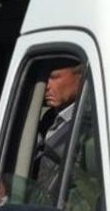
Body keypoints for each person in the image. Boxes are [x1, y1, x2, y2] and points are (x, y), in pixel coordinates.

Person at [33, 62, 83, 199]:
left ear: (81, 76)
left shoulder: (87, 127)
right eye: (44, 79)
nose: (46, 86)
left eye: (54, 77)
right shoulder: (49, 118)